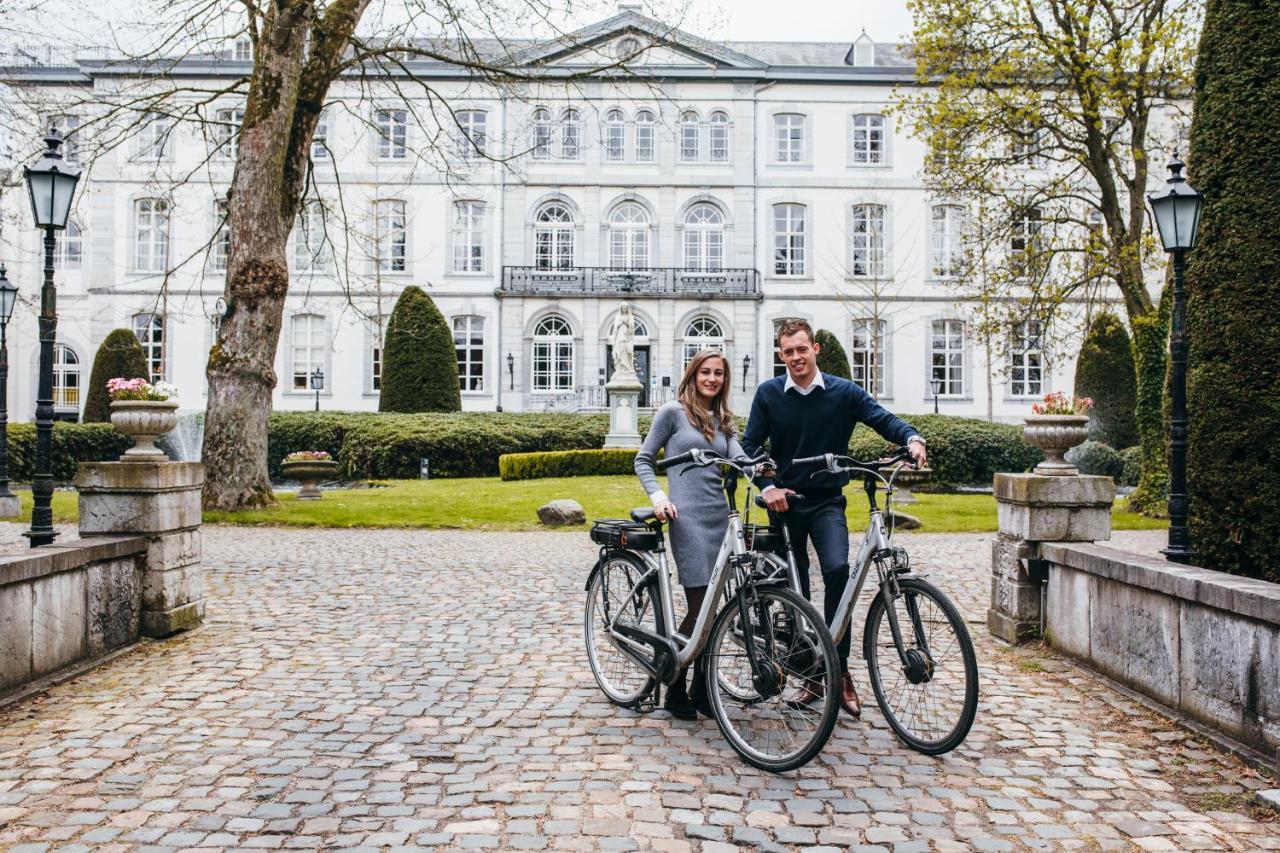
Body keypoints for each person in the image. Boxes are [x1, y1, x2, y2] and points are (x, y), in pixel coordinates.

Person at [741, 318, 927, 719]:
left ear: (815, 349)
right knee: (793, 589)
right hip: (785, 504)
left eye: (801, 349)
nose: (795, 358)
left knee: (838, 572)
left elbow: (883, 419)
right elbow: (750, 445)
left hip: (827, 501)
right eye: (787, 352)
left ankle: (839, 673)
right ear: (781, 355)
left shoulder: (843, 392)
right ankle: (811, 674)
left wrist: (911, 438)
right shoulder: (769, 394)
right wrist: (768, 485)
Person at [634, 349, 745, 720]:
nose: (712, 379)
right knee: (701, 610)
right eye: (706, 372)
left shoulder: (724, 420)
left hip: (721, 520)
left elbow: (740, 458)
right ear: (693, 374)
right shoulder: (672, 413)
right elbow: (643, 458)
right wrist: (659, 496)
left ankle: (702, 689)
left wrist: (766, 471)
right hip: (688, 520)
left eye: (718, 374)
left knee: (717, 610)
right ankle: (675, 684)